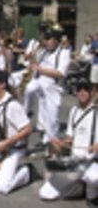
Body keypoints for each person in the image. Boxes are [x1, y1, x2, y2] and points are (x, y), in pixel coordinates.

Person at [39, 78, 98, 207]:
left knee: (93, 177)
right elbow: (70, 138)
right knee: (45, 193)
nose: (82, 92)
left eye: (86, 89)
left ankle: (92, 196)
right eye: (79, 89)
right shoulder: (74, 111)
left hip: (92, 161)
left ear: (92, 92)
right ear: (76, 92)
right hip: (75, 161)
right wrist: (60, 143)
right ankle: (80, 188)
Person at [0, 70, 32, 194]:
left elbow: (28, 129)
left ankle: (26, 172)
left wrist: (7, 143)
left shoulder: (12, 105)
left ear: (2, 84)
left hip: (14, 150)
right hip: (0, 149)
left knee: (2, 187)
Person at [23, 27, 71, 146]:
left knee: (52, 118)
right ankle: (27, 112)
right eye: (45, 39)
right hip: (40, 81)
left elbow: (61, 73)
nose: (46, 42)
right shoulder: (43, 51)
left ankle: (49, 141)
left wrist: (40, 69)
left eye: (49, 39)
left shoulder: (64, 53)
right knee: (29, 89)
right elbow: (34, 64)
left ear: (55, 40)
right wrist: (32, 59)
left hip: (54, 86)